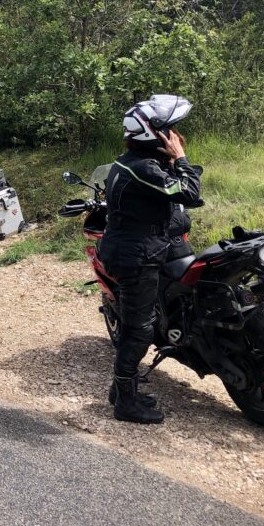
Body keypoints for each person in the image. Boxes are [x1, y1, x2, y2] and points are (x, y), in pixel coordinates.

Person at [99, 95, 203, 424]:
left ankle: (121, 390)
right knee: (138, 331)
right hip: (136, 256)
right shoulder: (142, 168)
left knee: (140, 325)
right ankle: (125, 402)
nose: (174, 136)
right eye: (168, 130)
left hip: (137, 249)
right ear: (153, 135)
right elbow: (190, 193)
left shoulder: (133, 163)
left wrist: (172, 163)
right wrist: (182, 159)